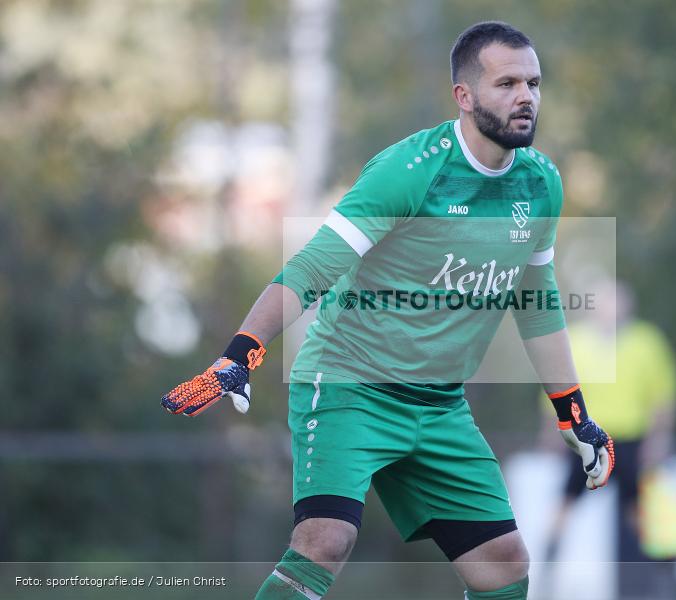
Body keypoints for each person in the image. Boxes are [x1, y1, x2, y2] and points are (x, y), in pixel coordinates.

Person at [160, 21, 614, 600]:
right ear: (465, 96)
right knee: (325, 541)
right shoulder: (410, 171)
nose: (525, 96)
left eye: (533, 82)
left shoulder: (541, 183)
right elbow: (310, 269)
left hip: (440, 404)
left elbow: (537, 301)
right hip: (351, 385)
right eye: (506, 83)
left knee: (504, 563)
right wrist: (239, 355)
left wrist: (573, 414)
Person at [541, 279, 676, 599]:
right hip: (585, 438)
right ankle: (547, 564)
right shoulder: (575, 341)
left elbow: (663, 395)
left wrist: (659, 439)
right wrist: (550, 432)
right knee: (566, 500)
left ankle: (657, 572)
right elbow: (553, 389)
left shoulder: (647, 342)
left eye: (616, 303)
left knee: (637, 509)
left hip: (630, 438)